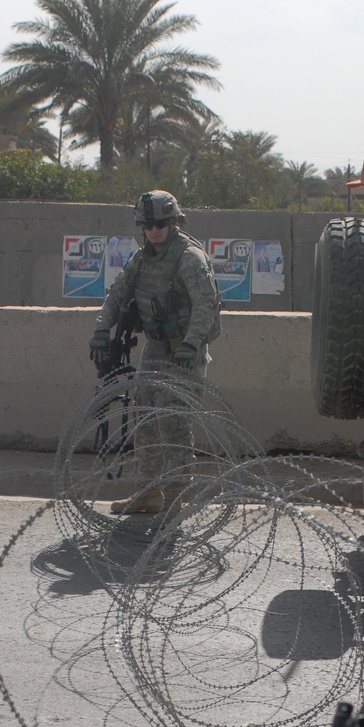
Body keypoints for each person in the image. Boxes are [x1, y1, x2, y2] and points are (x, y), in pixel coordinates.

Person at [89, 190, 221, 515]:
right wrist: (101, 329)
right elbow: (117, 293)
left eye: (160, 223)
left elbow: (206, 301)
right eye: (147, 224)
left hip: (184, 355)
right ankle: (148, 493)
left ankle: (176, 500)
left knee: (174, 425)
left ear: (174, 221)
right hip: (154, 352)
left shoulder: (189, 257)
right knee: (144, 424)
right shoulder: (143, 257)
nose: (154, 229)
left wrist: (191, 342)